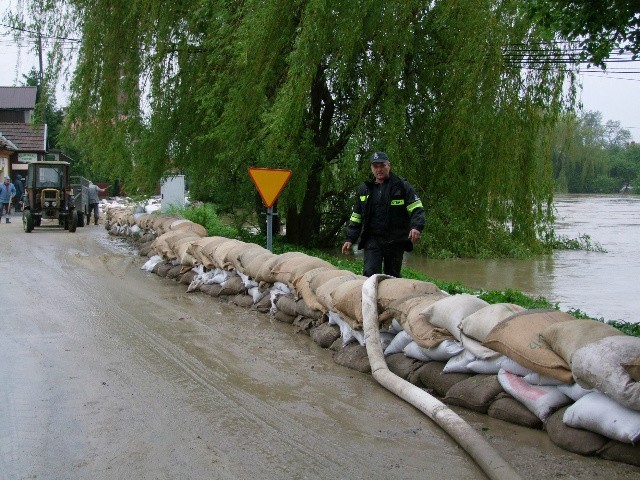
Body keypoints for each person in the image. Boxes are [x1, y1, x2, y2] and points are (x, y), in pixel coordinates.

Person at [341, 152, 425, 278]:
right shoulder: (365, 189)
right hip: (373, 239)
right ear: (371, 168)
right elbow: (356, 216)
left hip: (395, 240)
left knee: (392, 276)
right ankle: (371, 298)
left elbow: (417, 208)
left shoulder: (401, 186)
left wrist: (416, 227)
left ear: (389, 166)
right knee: (370, 274)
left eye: (382, 165)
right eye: (375, 166)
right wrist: (350, 239)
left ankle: (392, 297)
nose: (379, 169)